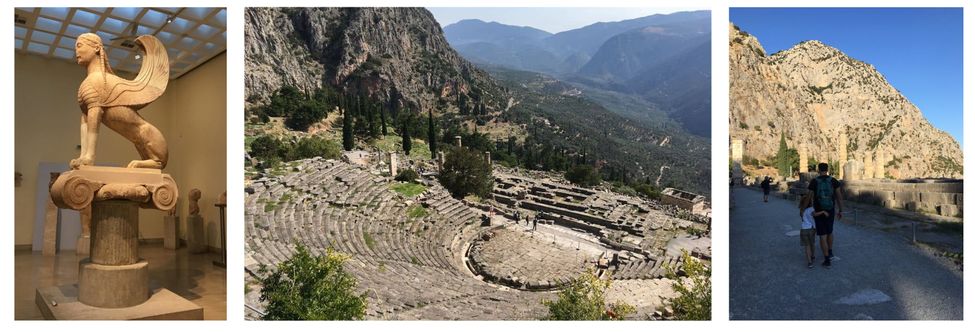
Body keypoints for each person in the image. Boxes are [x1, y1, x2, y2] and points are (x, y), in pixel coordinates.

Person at [807, 163, 843, 268]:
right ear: (827, 170)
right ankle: (830, 251)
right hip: (830, 210)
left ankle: (827, 260)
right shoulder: (833, 181)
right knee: (830, 232)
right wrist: (840, 210)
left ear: (818, 170)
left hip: (818, 210)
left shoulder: (814, 181)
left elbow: (809, 197)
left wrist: (804, 209)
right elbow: (839, 196)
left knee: (822, 235)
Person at [799, 195, 826, 268]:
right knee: (812, 244)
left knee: (807, 246)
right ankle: (813, 256)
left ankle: (809, 262)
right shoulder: (811, 208)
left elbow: (802, 219)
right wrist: (823, 211)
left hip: (803, 229)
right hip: (811, 229)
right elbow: (815, 214)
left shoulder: (801, 210)